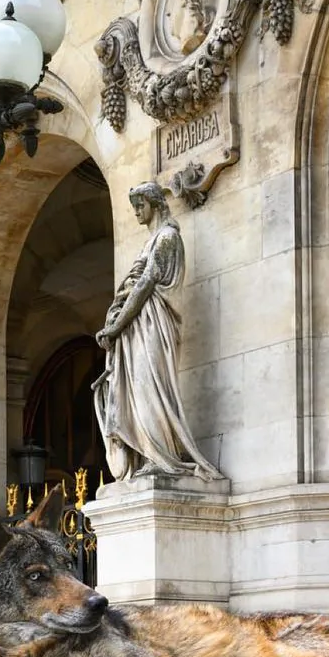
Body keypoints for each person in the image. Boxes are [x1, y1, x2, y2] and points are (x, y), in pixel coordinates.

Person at [93, 182, 222, 481]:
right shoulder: (152, 241)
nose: (136, 212)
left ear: (155, 203)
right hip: (139, 324)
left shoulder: (167, 238)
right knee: (139, 387)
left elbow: (144, 285)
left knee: (150, 386)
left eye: (140, 205)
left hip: (151, 324)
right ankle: (147, 454)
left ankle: (161, 453)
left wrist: (115, 326)